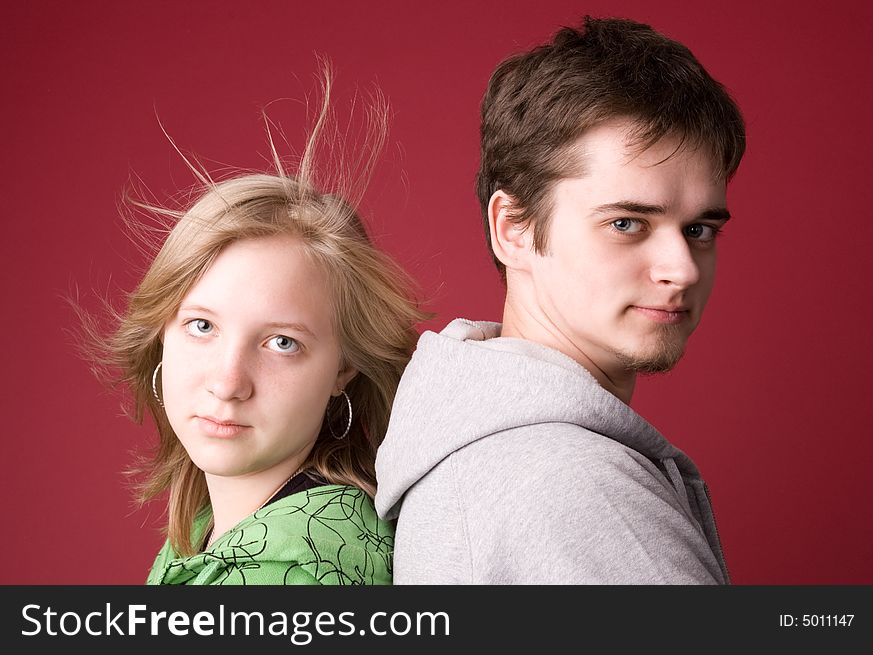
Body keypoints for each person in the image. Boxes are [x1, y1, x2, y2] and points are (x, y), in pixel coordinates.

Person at [375, 16, 746, 584]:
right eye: (627, 223)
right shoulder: (571, 487)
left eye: (700, 229)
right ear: (514, 228)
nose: (681, 269)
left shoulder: (483, 446)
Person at [85, 80, 426, 584]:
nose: (228, 383)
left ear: (345, 366)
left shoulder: (301, 565)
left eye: (282, 342)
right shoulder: (211, 528)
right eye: (202, 326)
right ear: (162, 333)